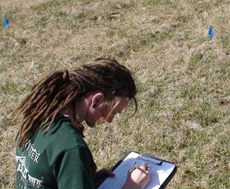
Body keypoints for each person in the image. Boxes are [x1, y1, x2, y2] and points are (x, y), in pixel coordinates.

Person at [13, 58, 151, 189]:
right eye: (113, 112)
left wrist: (84, 179)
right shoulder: (71, 148)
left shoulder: (40, 112)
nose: (110, 120)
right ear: (97, 100)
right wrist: (132, 186)